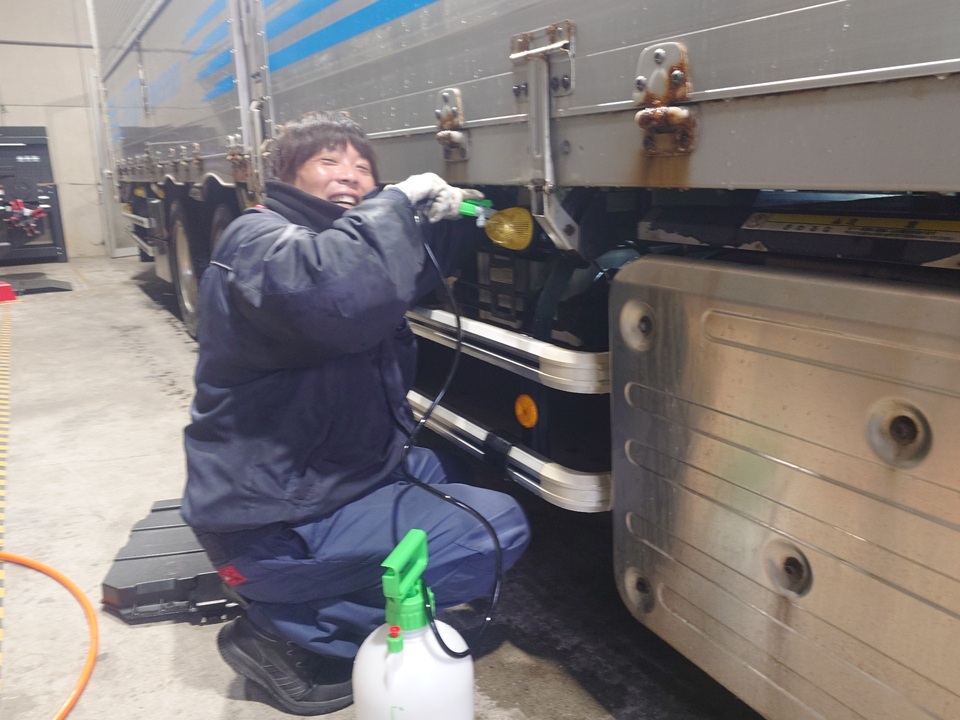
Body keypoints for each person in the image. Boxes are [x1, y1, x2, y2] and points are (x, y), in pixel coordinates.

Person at [181, 111, 531, 715]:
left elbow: (390, 281)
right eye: (329, 162)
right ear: (285, 176)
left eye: (363, 167)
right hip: (272, 525)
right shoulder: (256, 241)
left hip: (312, 486)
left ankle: (309, 592)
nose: (350, 175)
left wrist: (435, 223)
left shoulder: (330, 243)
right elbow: (334, 291)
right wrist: (393, 204)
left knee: (442, 470)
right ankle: (287, 632)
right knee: (493, 531)